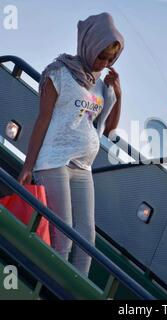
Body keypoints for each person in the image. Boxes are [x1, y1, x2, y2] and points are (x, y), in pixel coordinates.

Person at [18, 12, 124, 276]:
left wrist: (118, 94)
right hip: (54, 161)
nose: (104, 63)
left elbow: (109, 129)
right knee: (62, 235)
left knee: (87, 239)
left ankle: (73, 293)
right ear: (88, 45)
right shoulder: (59, 73)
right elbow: (42, 120)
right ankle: (50, 287)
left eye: (110, 59)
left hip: (83, 167)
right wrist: (27, 165)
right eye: (101, 56)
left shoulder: (102, 85)